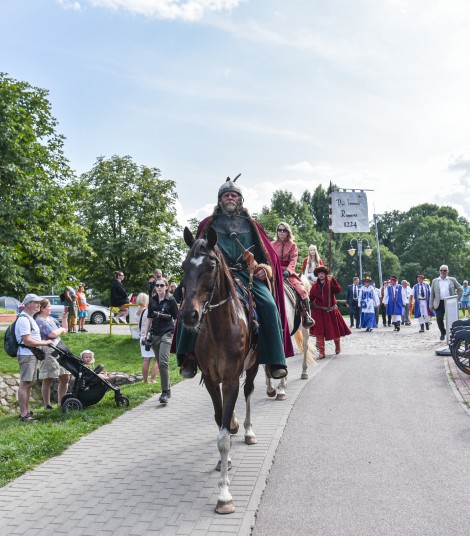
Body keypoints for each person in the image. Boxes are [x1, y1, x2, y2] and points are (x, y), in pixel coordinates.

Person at [175, 176, 294, 380]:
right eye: (226, 195)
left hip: (246, 275)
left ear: (240, 200)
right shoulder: (208, 223)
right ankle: (189, 356)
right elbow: (197, 253)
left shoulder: (252, 224)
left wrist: (264, 269)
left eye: (234, 195)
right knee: (191, 304)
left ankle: (275, 360)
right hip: (215, 274)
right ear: (220, 200)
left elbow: (268, 256)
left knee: (269, 305)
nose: (230, 198)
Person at [15, 294, 54, 422]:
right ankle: (24, 414)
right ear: (27, 304)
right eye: (35, 302)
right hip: (27, 355)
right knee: (25, 384)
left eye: (39, 302)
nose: (38, 305)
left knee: (28, 384)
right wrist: (45, 343)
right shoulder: (23, 319)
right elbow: (27, 341)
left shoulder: (30, 318)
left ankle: (27, 411)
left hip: (32, 354)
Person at [271, 221, 314, 327]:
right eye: (279, 230)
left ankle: (305, 316)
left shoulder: (293, 245)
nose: (281, 232)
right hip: (273, 270)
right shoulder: (272, 244)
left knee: (301, 289)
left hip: (287, 272)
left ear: (288, 232)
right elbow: (269, 258)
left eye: (283, 230)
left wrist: (288, 271)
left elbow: (293, 260)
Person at [142, 278, 178, 404]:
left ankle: (164, 392)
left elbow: (176, 317)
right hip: (155, 334)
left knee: (163, 362)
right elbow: (149, 318)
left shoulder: (171, 300)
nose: (159, 287)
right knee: (160, 361)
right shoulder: (152, 301)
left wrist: (174, 331)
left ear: (166, 287)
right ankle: (167, 388)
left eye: (162, 285)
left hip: (167, 333)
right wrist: (144, 334)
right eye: (157, 285)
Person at [35, 299, 71, 409]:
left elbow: (65, 330)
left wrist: (64, 317)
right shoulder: (39, 320)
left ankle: (61, 403)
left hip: (59, 348)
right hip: (48, 350)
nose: (51, 308)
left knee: (65, 376)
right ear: (42, 308)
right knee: (48, 378)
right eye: (49, 306)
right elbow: (52, 334)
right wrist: (59, 330)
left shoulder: (51, 319)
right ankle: (47, 405)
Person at [309, 266, 351, 358]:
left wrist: (333, 281)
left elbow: (338, 290)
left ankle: (337, 346)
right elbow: (311, 297)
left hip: (331, 311)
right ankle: (322, 352)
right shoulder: (315, 285)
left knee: (335, 330)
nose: (321, 275)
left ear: (325, 274)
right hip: (319, 312)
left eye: (322, 273)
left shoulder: (330, 281)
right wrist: (308, 304)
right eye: (319, 273)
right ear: (317, 275)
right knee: (319, 332)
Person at [430, 264, 463, 341]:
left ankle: (452, 334)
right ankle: (443, 332)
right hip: (439, 303)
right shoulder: (435, 281)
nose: (443, 272)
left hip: (450, 302)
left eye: (445, 270)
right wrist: (431, 304)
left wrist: (457, 299)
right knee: (439, 318)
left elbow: (460, 289)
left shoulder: (452, 280)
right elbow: (432, 294)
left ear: (447, 271)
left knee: (451, 320)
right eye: (441, 270)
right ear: (439, 271)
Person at [134, 292, 158, 384]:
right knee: (158, 359)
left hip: (142, 338)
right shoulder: (148, 311)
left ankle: (145, 381)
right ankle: (153, 379)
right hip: (150, 336)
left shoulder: (137, 312)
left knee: (146, 359)